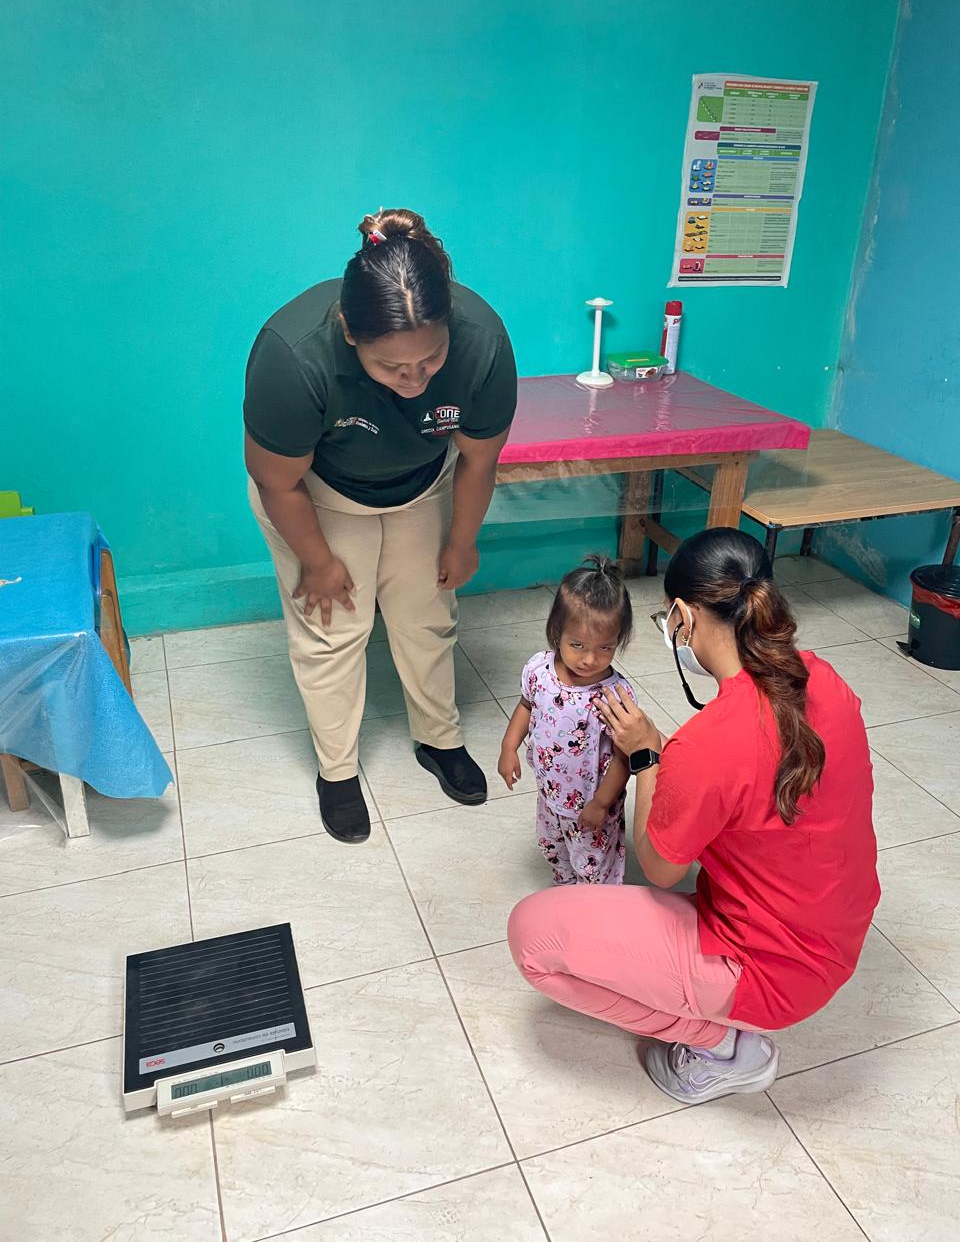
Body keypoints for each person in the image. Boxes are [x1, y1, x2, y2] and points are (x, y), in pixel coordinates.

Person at [508, 528, 880, 1104]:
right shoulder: (824, 677)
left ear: (681, 616)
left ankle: (722, 1046)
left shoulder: (709, 743)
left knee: (532, 937)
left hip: (767, 973)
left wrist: (648, 757)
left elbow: (661, 868)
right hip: (837, 934)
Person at [244, 209, 517, 844]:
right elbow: (277, 481)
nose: (414, 381)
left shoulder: (482, 341)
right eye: (393, 367)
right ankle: (337, 772)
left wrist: (461, 540)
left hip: (422, 483)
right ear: (349, 331)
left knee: (427, 616)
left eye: (430, 359)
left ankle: (439, 739)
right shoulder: (294, 355)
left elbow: (480, 459)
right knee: (334, 630)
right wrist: (318, 562)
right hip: (315, 494)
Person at [498, 556, 636, 886]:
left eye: (605, 647)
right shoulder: (539, 671)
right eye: (577, 645)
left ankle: (594, 908)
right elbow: (526, 705)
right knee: (554, 850)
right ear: (556, 632)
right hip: (551, 795)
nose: (589, 659)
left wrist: (601, 804)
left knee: (593, 866)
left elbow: (624, 757)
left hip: (592, 803)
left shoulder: (614, 695)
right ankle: (564, 890)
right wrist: (508, 747)